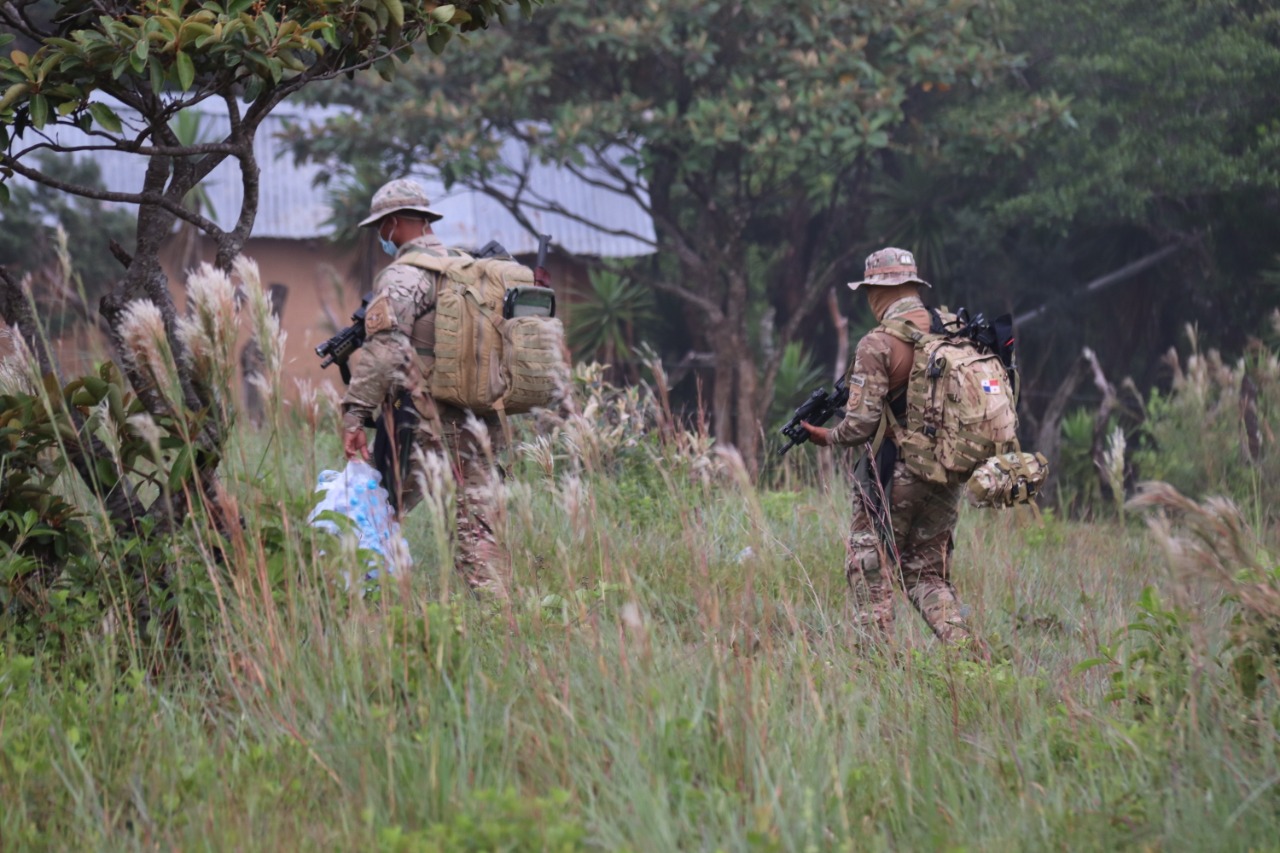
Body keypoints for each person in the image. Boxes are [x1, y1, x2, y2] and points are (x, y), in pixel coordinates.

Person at [340, 178, 508, 597]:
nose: (381, 237)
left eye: (380, 228)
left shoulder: (403, 276)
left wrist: (355, 413)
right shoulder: (469, 268)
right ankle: (496, 615)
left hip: (425, 423)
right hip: (481, 418)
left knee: (377, 510)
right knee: (478, 527)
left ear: (394, 223)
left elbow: (386, 352)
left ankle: (368, 607)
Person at [801, 248, 974, 645]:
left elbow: (860, 425)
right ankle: (965, 651)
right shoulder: (953, 328)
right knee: (927, 572)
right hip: (949, 470)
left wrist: (827, 436)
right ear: (913, 287)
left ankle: (875, 660)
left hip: (896, 474)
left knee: (868, 563)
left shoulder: (877, 344)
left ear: (880, 291)